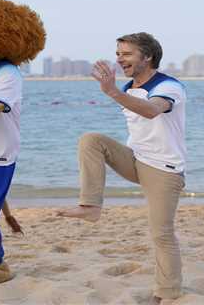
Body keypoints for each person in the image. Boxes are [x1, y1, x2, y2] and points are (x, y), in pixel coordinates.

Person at [58, 32, 186, 304]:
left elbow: (152, 110)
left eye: (126, 54)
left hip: (163, 170)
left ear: (147, 56)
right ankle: (90, 206)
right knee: (91, 140)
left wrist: (112, 91)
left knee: (161, 234)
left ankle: (168, 293)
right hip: (136, 160)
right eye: (118, 54)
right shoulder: (129, 87)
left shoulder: (169, 86)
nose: (120, 59)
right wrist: (118, 91)